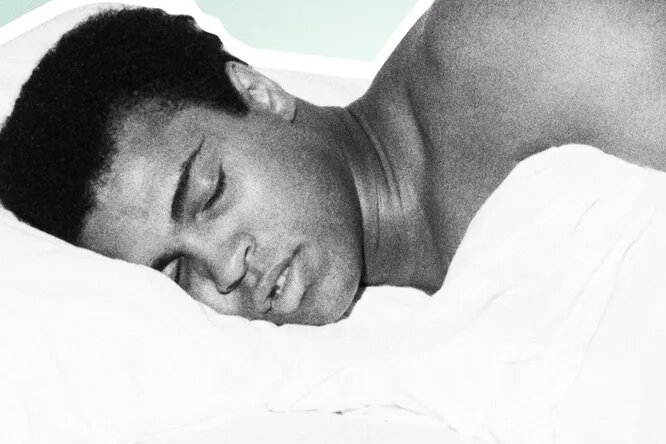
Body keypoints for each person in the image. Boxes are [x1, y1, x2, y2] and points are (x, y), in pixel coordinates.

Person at [0, 1, 664, 325]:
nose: (225, 270)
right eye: (176, 272)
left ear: (259, 94)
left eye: (209, 193)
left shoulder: (503, 46)